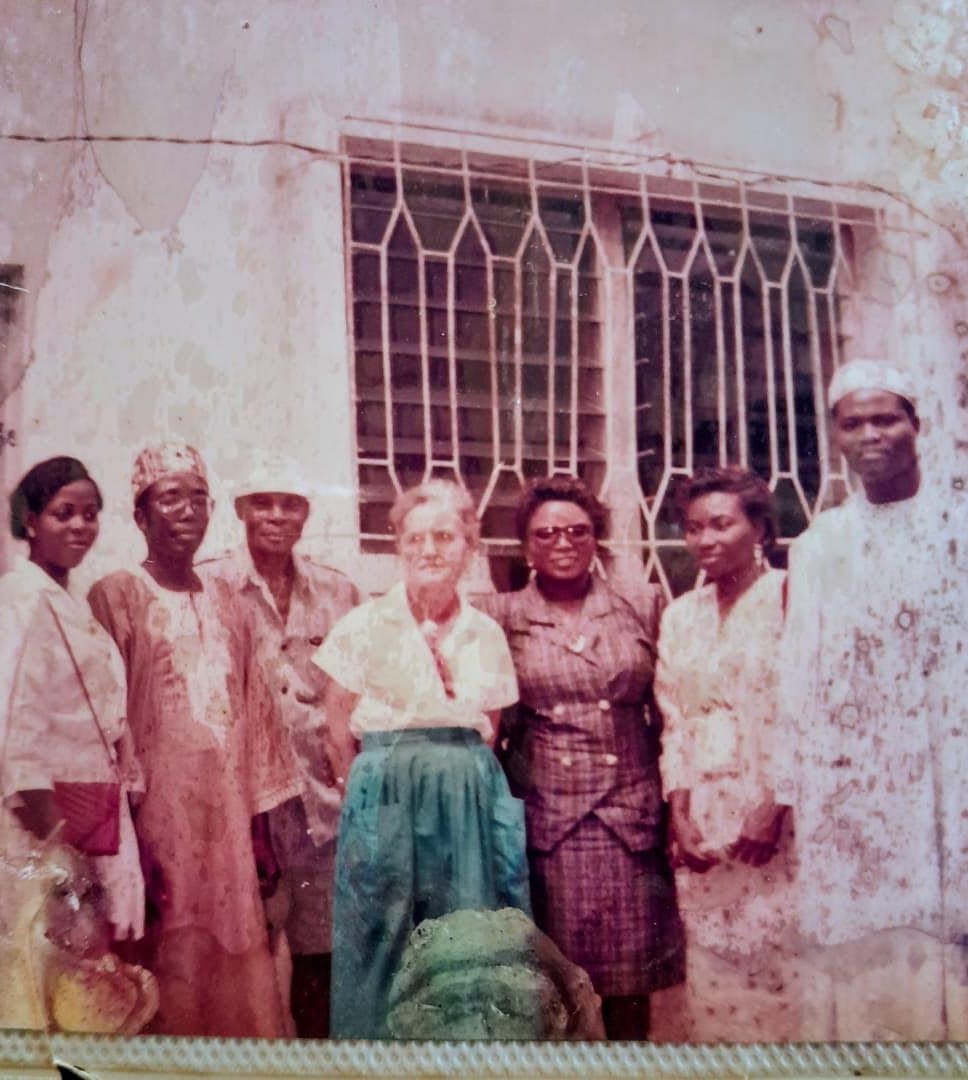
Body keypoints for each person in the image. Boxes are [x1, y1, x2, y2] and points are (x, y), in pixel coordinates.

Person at [776, 358, 967, 1040]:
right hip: (854, 785)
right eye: (852, 423)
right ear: (836, 436)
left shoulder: (959, 528)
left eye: (886, 418)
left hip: (951, 775)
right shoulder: (822, 543)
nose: (870, 435)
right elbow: (799, 669)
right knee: (864, 946)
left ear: (918, 424)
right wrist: (792, 784)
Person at [88, 442, 301, 1037]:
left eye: (198, 499)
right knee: (167, 953)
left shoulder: (230, 602)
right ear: (140, 515)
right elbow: (108, 725)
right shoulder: (116, 595)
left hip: (230, 822)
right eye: (169, 498)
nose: (186, 511)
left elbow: (258, 716)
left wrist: (259, 830)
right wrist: (126, 845)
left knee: (238, 954)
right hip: (153, 819)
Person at [312, 478, 530, 1038]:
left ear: (470, 547)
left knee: (468, 935)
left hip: (464, 794)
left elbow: (490, 733)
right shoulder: (362, 625)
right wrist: (367, 793)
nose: (429, 550)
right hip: (385, 790)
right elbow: (337, 729)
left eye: (444, 537)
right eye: (414, 539)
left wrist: (451, 781)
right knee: (382, 936)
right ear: (397, 547)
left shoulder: (485, 633)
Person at [478, 474, 685, 1040]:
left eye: (578, 530)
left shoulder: (639, 603)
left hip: (630, 820)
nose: (563, 543)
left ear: (597, 539)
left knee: (627, 996)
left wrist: (671, 805)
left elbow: (669, 709)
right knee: (559, 991)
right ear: (525, 547)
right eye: (546, 534)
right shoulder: (501, 615)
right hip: (552, 824)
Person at [205, 454, 359, 1037]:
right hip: (247, 813)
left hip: (324, 813)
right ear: (242, 509)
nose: (276, 515)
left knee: (323, 962)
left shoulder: (338, 591)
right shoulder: (210, 584)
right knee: (245, 962)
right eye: (263, 502)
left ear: (306, 513)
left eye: (290, 503)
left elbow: (361, 695)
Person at [649, 466, 797, 1041]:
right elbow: (675, 720)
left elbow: (808, 712)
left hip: (780, 815)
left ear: (759, 527)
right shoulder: (682, 616)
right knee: (715, 977)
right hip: (707, 815)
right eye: (692, 528)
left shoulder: (789, 597)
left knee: (782, 969)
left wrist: (776, 804)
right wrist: (678, 814)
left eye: (721, 524)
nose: (705, 540)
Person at [0, 457, 145, 1029]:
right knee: (35, 978)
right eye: (64, 514)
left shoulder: (66, 600)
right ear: (30, 519)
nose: (81, 526)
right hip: (41, 820)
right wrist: (53, 838)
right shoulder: (21, 600)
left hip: (87, 813)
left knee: (78, 988)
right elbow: (15, 719)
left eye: (90, 515)